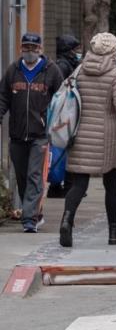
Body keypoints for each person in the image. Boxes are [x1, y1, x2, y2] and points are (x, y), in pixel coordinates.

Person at [59, 33, 116, 247]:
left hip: (80, 134)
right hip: (107, 137)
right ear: (113, 51)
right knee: (111, 184)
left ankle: (66, 221)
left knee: (79, 183)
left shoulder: (79, 71)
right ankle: (115, 232)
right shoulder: (114, 74)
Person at [0, 33, 63, 232]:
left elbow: (61, 98)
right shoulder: (13, 71)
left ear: (40, 49)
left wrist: (57, 125)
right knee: (22, 177)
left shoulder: (51, 71)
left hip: (40, 134)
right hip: (17, 134)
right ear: (21, 48)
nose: (29, 51)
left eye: (33, 47)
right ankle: (36, 211)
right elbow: (3, 98)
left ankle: (29, 220)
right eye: (26, 47)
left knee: (35, 175)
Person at [48, 34, 83, 199]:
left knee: (64, 151)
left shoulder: (68, 64)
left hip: (66, 115)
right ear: (68, 50)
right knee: (63, 150)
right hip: (64, 115)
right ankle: (62, 186)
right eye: (76, 49)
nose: (78, 52)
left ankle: (63, 186)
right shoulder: (63, 66)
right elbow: (61, 92)